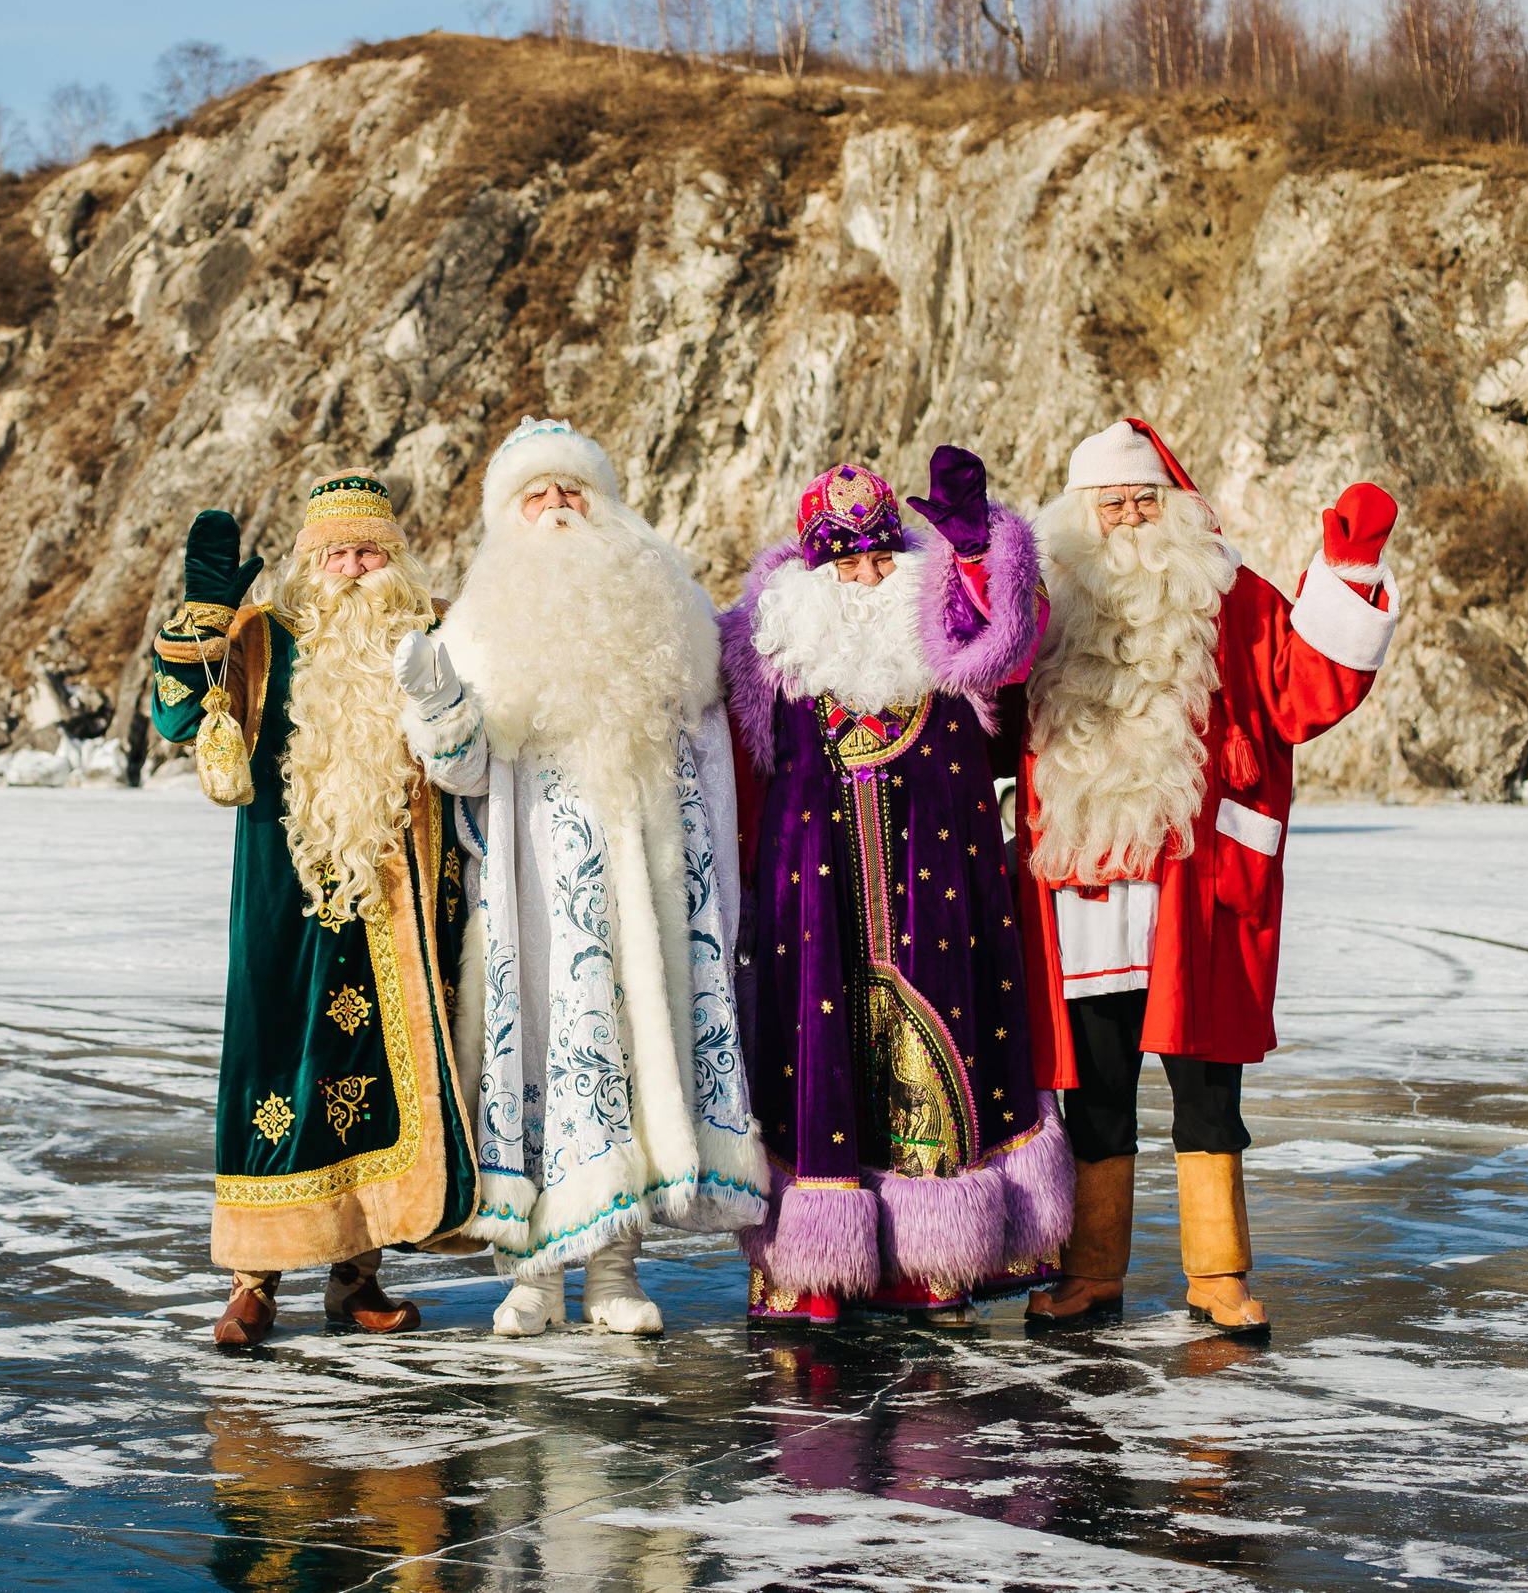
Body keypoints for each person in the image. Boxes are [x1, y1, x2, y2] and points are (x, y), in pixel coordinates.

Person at [1005, 419, 1399, 1335]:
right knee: (1093, 1090)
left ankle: (1218, 1274)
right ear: (1077, 513)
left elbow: (1306, 685)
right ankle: (1090, 1271)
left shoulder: (1230, 595)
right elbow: (981, 701)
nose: (1129, 516)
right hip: (1079, 890)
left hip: (1193, 888)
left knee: (1208, 1093)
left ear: (1175, 505)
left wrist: (1348, 568)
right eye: (1110, 502)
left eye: (1144, 499)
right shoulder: (1044, 605)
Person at [396, 417, 765, 1337]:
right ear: (508, 514)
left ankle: (613, 1268)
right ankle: (530, 1277)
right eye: (537, 493)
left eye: (572, 488)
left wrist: (713, 882)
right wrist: (439, 706)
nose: (557, 505)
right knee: (540, 1056)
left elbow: (708, 749)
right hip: (536, 891)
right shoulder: (480, 620)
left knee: (634, 1054)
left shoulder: (665, 601)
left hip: (648, 878)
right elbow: (463, 773)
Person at [718, 450, 1070, 1328]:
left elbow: (1010, 643)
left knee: (932, 1062)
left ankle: (928, 1255)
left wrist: (980, 550)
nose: (869, 576)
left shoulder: (942, 626)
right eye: (848, 563)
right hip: (812, 903)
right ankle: (810, 1262)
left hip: (936, 892)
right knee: (813, 1067)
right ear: (813, 569)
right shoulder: (772, 647)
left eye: (881, 556)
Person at [149, 469, 480, 1347]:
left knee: (372, 1090)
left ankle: (356, 1278)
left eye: (369, 550)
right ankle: (252, 1279)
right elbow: (179, 719)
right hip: (286, 906)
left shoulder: (436, 631)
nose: (354, 566)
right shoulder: (264, 637)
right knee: (272, 1078)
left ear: (396, 557)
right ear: (309, 562)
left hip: (398, 908)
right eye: (337, 552)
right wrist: (200, 624)